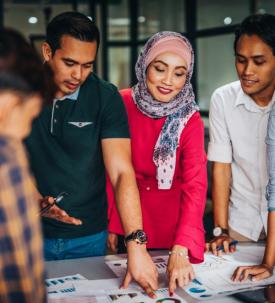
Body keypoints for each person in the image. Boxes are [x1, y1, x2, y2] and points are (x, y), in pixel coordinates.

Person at [24, 11, 158, 297]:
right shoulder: (20, 91)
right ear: (47, 51)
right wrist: (31, 194)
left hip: (88, 238)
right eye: (69, 63)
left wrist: (136, 244)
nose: (78, 75)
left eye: (87, 65)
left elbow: (122, 173)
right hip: (27, 234)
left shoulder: (104, 97)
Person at [107, 31, 207, 294]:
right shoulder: (120, 102)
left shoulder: (190, 118)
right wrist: (111, 224)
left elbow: (195, 184)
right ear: (144, 66)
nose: (168, 81)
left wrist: (182, 246)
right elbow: (111, 172)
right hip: (126, 220)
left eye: (179, 73)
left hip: (171, 226)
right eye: (160, 69)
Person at [207, 14, 275, 256]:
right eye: (241, 60)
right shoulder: (222, 99)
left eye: (259, 61)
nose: (247, 71)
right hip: (240, 224)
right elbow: (221, 168)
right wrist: (221, 229)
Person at [0, 28, 56, 303]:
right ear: (9, 104)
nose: (24, 132)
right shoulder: (6, 158)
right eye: (30, 117)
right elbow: (20, 280)